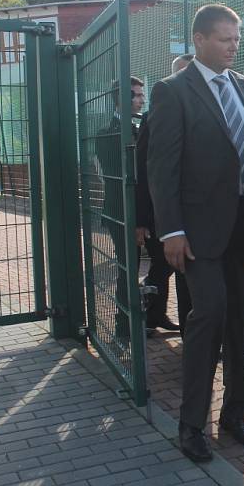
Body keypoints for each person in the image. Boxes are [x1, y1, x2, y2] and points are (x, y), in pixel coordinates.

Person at [147, 4, 244, 462]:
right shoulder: (173, 91)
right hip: (198, 232)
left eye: (236, 38)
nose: (233, 46)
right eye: (223, 38)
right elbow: (163, 166)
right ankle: (191, 423)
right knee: (209, 315)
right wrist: (170, 229)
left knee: (242, 321)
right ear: (198, 40)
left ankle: (236, 413)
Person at [134, 59, 193, 336]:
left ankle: (163, 318)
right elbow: (148, 171)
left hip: (199, 215)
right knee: (167, 268)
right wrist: (142, 218)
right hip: (166, 215)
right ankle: (152, 314)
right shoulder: (154, 114)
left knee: (181, 275)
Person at [96, 76, 145, 342]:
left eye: (141, 94)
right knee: (128, 268)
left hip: (145, 213)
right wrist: (134, 221)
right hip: (121, 213)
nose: (142, 99)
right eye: (136, 95)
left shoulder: (142, 127)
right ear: (120, 99)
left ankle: (152, 315)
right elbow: (119, 180)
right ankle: (123, 326)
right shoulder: (108, 133)